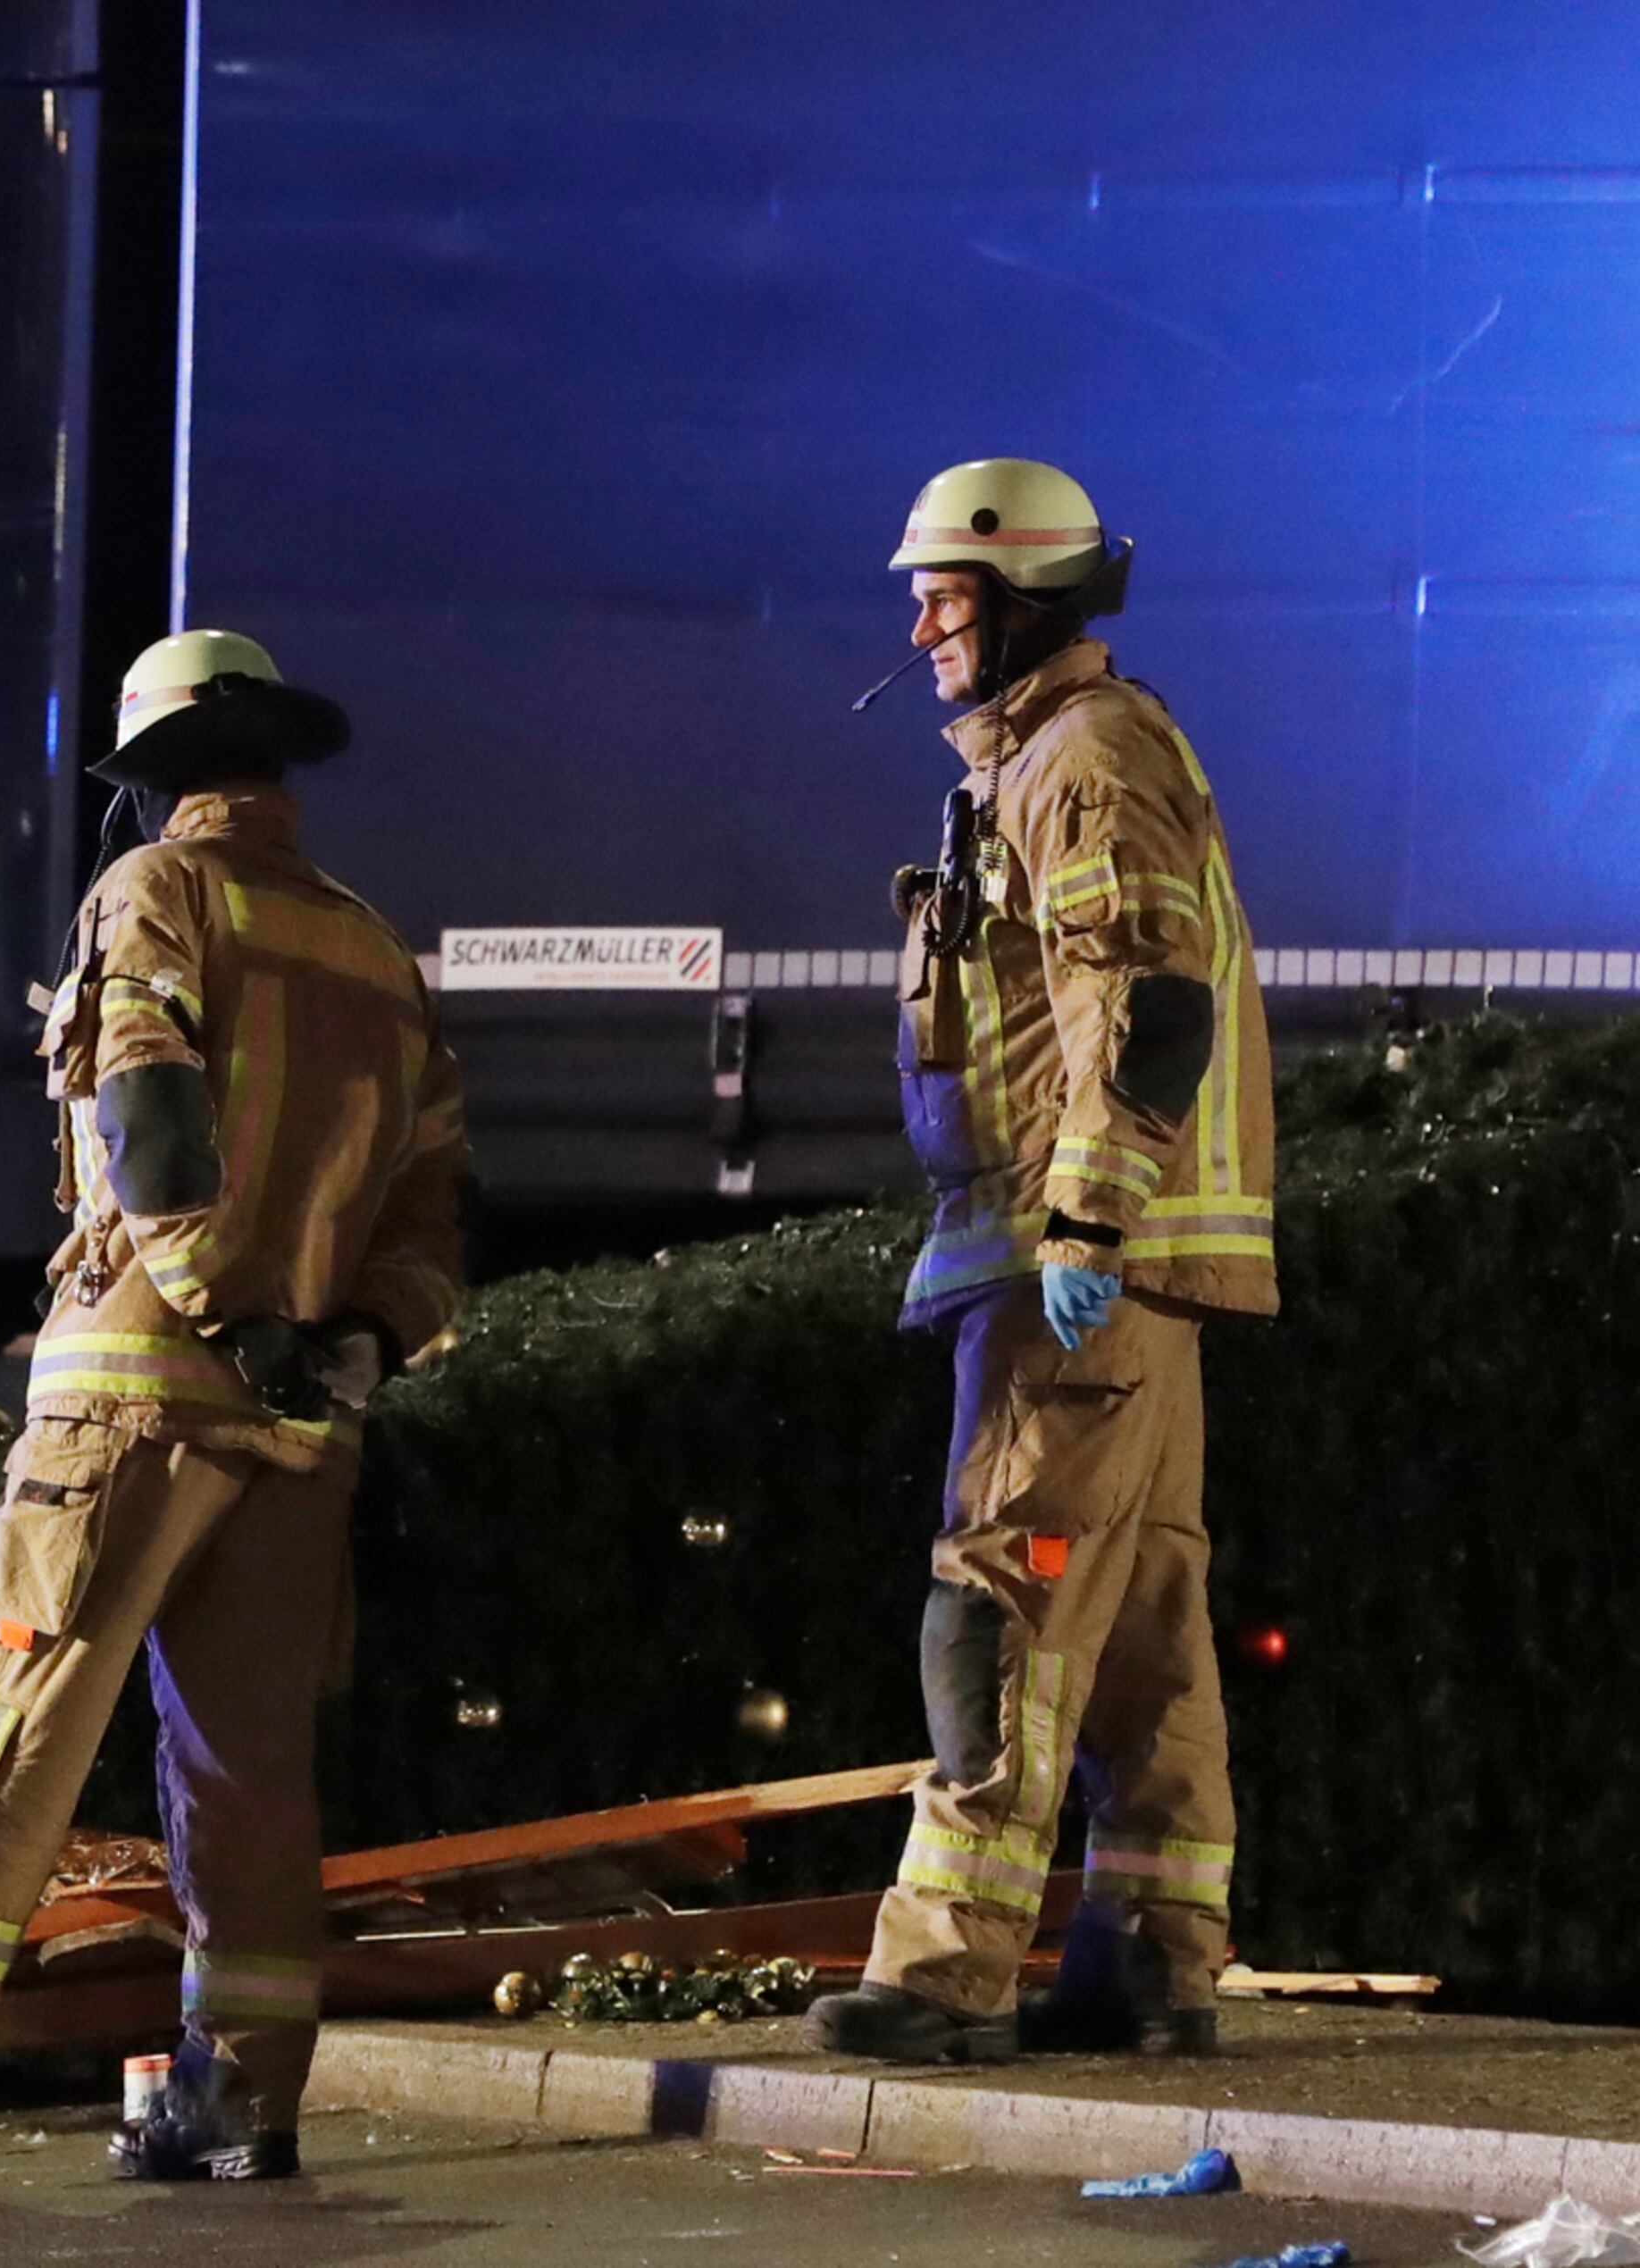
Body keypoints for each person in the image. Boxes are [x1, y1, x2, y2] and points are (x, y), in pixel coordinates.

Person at [0, 628, 471, 2178]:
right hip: (303, 1426)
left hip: (142, 1395)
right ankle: (240, 2102)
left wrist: (223, 1308)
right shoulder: (375, 949)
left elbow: (142, 1111)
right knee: (250, 1775)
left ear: (156, 784)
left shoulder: (154, 894)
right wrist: (355, 1351)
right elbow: (430, 1216)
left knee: (22, 1712)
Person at [804, 459, 1277, 2066]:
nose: (924, 621)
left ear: (1024, 600)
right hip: (1097, 1269)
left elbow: (1143, 996)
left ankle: (943, 1969)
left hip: (1070, 1266)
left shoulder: (1080, 758)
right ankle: (1151, 1960)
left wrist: (1084, 1216)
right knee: (1142, 1618)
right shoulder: (1051, 758)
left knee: (998, 1595)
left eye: (947, 593)